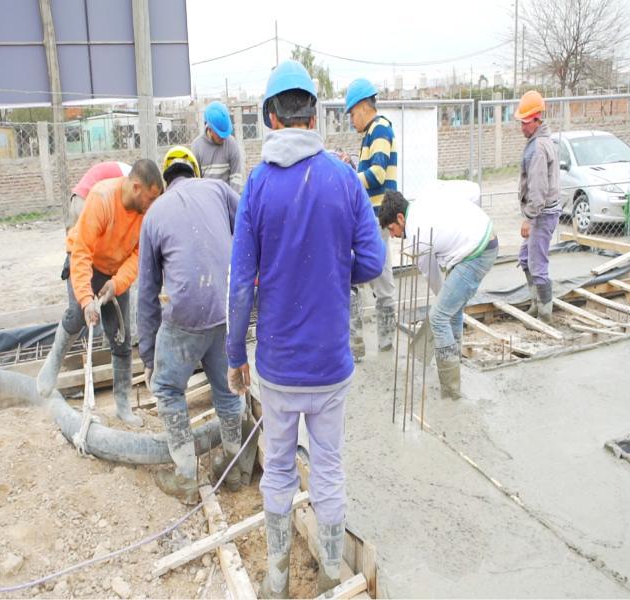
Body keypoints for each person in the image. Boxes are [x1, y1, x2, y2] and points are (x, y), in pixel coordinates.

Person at [226, 60, 384, 597]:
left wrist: (234, 356)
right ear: (314, 114)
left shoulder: (257, 187)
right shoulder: (343, 178)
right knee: (330, 471)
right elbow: (374, 260)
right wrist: (335, 272)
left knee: (278, 473)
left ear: (271, 117)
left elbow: (240, 282)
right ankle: (332, 576)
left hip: (276, 368)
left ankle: (276, 580)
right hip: (331, 367)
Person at [137, 146, 243, 504]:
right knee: (229, 391)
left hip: (186, 315)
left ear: (166, 180)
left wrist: (149, 357)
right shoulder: (217, 190)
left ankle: (185, 476)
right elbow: (248, 220)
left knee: (167, 389)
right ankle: (235, 468)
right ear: (195, 171)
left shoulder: (154, 214)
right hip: (228, 308)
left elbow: (147, 294)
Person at [36, 159, 163, 428]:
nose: (153, 205)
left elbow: (138, 256)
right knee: (77, 317)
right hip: (87, 262)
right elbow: (81, 252)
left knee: (121, 337)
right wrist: (85, 300)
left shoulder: (146, 214)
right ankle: (53, 362)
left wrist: (116, 284)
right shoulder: (102, 198)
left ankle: (122, 405)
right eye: (150, 198)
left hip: (114, 270)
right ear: (137, 187)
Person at [379, 185, 498, 401]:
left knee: (438, 317)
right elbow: (472, 191)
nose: (394, 236)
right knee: (451, 310)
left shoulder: (416, 235)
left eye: (392, 229)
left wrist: (443, 300)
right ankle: (455, 364)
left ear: (400, 218)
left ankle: (451, 391)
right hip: (484, 237)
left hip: (476, 253)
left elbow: (433, 276)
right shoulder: (422, 200)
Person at [343, 78, 398, 360]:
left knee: (378, 279)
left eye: (352, 113)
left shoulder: (380, 129)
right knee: (370, 277)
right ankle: (363, 344)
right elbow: (370, 170)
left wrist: (347, 178)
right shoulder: (371, 134)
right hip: (371, 218)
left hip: (377, 219)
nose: (351, 120)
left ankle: (382, 344)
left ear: (364, 107)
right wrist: (352, 164)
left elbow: (377, 174)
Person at [514, 89, 561, 324]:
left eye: (524, 123)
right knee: (525, 257)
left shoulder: (539, 148)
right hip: (542, 213)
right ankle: (536, 303)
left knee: (537, 264)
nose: (522, 127)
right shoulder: (540, 142)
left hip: (542, 214)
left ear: (536, 120)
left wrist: (529, 218)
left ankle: (545, 315)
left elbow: (539, 188)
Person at [191, 101, 245, 193]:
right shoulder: (197, 147)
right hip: (207, 199)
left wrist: (233, 202)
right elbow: (196, 182)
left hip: (228, 199)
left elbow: (236, 178)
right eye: (219, 134)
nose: (223, 137)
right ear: (209, 128)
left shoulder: (231, 143)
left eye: (225, 134)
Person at [66, 161, 131, 231]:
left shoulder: (125, 170)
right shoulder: (130, 179)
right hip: (88, 201)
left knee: (73, 237)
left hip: (77, 197)